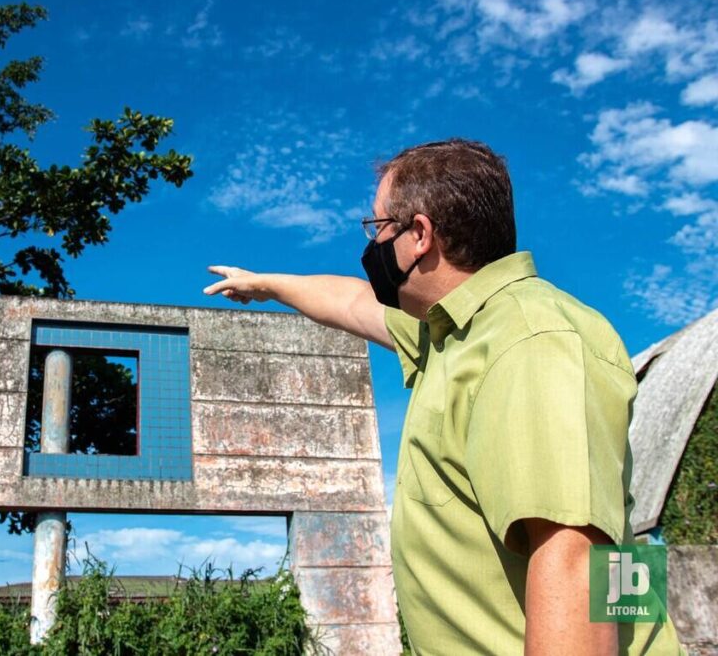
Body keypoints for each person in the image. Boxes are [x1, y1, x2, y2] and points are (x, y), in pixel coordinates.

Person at [203, 139, 683, 655]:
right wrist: (268, 285)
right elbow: (350, 301)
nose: (372, 247)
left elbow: (576, 558)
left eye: (378, 227)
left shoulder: (532, 340)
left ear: (420, 235)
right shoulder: (453, 335)